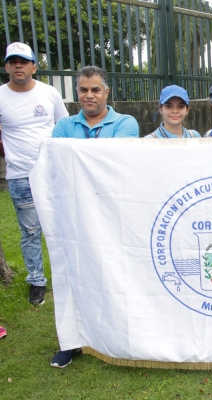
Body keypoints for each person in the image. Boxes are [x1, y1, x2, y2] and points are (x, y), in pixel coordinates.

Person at [50, 65, 139, 368]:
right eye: (83, 90)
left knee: (118, 272)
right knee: (72, 273)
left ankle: (122, 335)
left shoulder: (126, 123)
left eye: (95, 89)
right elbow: (58, 166)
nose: (89, 95)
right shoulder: (63, 126)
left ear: (107, 92)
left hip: (116, 213)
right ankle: (71, 341)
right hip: (74, 213)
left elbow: (115, 163)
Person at [0, 42, 69, 305]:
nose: (18, 66)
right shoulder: (1, 96)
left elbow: (64, 128)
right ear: (6, 66)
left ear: (33, 66)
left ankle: (70, 276)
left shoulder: (49, 93)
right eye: (13, 61)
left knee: (64, 225)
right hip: (20, 176)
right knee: (30, 232)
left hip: (54, 173)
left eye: (23, 61)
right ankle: (37, 281)